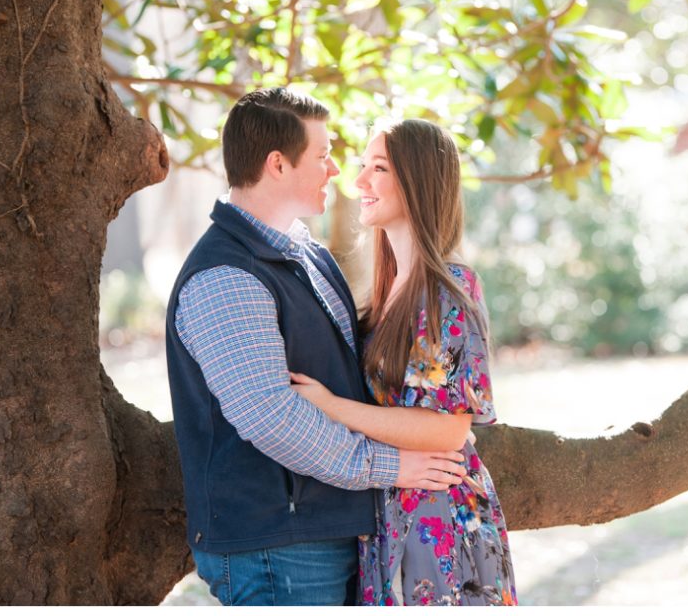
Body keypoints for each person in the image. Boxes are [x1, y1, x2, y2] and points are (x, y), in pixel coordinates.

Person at [165, 89, 469, 606]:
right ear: (277, 164)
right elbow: (272, 417)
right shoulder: (226, 277)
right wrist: (392, 466)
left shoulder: (304, 253)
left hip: (326, 532)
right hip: (276, 547)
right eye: (323, 154)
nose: (336, 171)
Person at [290, 119, 517, 606]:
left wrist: (330, 406)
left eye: (379, 168)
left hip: (441, 515)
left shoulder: (449, 290)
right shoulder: (383, 294)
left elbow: (449, 430)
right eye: (363, 167)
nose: (360, 182)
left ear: (416, 180)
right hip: (388, 509)